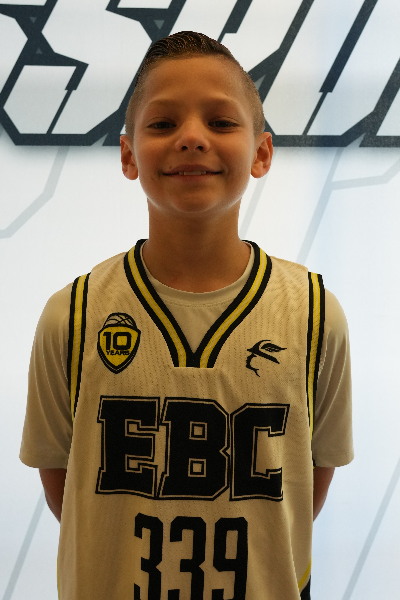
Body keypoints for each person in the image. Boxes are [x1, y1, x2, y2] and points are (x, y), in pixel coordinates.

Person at [20, 31, 353, 600]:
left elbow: (306, 484)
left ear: (262, 152)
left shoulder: (315, 314)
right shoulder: (71, 316)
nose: (192, 138)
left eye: (220, 122)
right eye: (163, 123)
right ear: (128, 155)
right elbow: (63, 487)